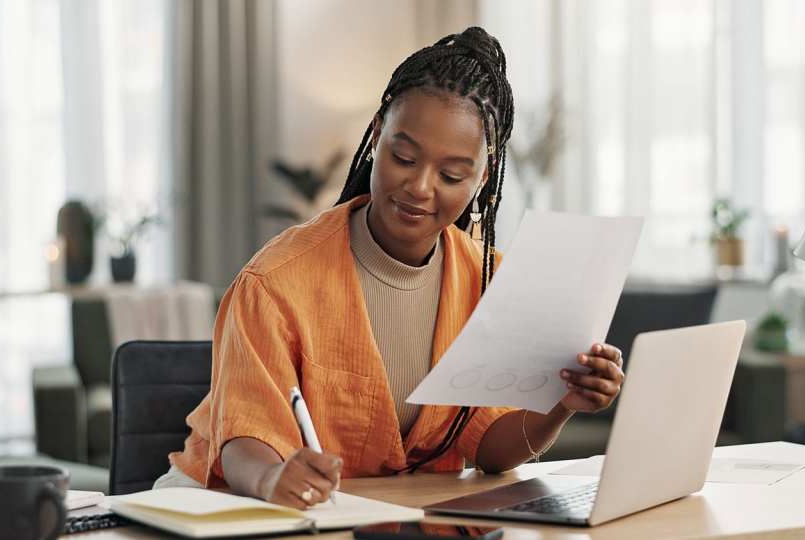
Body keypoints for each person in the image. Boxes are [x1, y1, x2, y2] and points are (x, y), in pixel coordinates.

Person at [157, 26, 625, 510]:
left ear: (482, 178)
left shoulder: (489, 283)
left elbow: (491, 451)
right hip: (231, 504)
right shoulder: (275, 281)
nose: (420, 187)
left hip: (383, 511)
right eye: (404, 157)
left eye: (451, 175)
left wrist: (562, 403)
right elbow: (243, 441)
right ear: (377, 135)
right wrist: (274, 476)